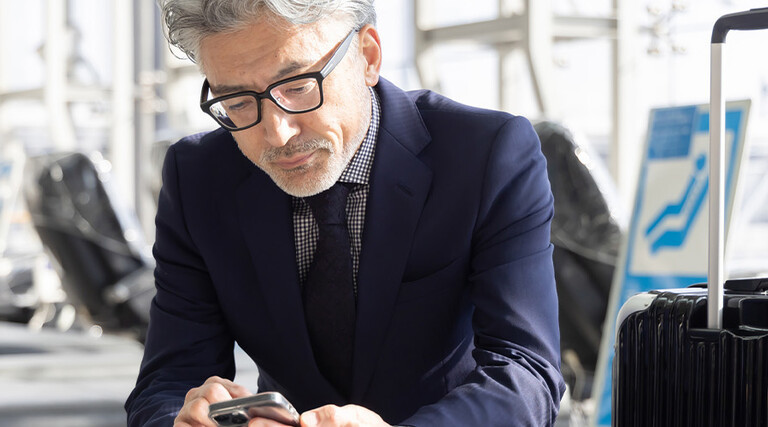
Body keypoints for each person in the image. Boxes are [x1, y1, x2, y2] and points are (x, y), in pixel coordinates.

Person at [126, 0, 565, 425]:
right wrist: (184, 420)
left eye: (297, 87)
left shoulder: (486, 156)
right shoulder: (199, 178)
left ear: (368, 56)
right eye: (238, 102)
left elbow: (526, 372)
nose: (277, 134)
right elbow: (166, 383)